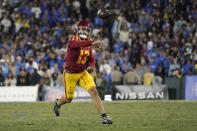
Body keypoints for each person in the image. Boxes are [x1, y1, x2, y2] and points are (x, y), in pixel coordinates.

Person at [53, 21, 113, 124]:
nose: (85, 32)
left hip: (82, 72)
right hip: (70, 74)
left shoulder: (88, 42)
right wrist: (92, 42)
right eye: (83, 29)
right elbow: (78, 44)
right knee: (68, 99)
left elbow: (92, 58)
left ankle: (104, 117)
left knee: (94, 91)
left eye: (87, 30)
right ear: (77, 30)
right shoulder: (72, 40)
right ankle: (57, 104)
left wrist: (91, 65)